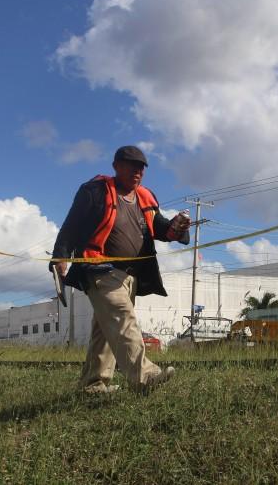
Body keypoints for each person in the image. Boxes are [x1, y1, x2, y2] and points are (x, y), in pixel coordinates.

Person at [51, 146, 190, 394]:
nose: (137, 172)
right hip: (100, 268)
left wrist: (177, 226)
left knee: (105, 329)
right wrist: (60, 257)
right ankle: (145, 376)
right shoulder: (94, 192)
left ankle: (92, 385)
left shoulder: (146, 197)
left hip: (131, 275)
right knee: (122, 316)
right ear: (116, 166)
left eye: (141, 168)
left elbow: (161, 229)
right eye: (131, 166)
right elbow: (71, 225)